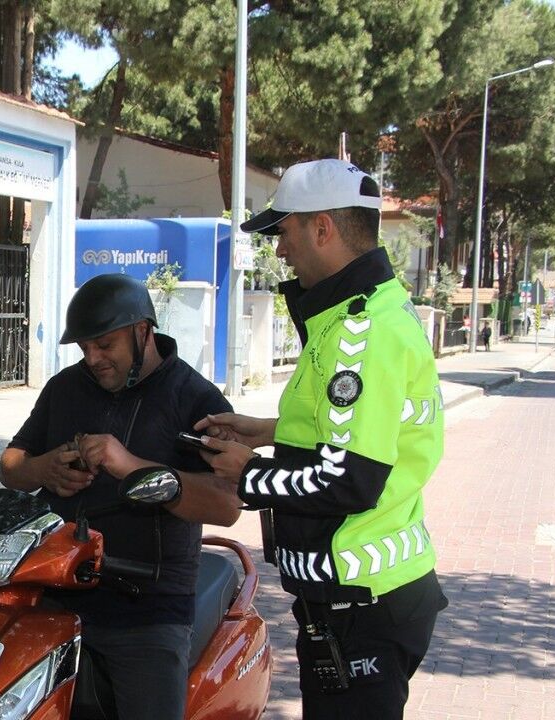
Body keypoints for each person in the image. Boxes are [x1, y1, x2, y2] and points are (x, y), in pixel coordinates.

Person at [196, 159, 447, 720]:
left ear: (323, 228)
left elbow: (350, 479)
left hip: (360, 600)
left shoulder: (361, 330)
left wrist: (247, 473)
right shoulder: (372, 309)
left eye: (284, 232)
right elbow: (358, 429)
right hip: (372, 594)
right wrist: (268, 431)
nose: (281, 250)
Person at [0, 273, 241, 720]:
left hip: (148, 609)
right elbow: (11, 466)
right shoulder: (65, 387)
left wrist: (128, 464)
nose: (93, 359)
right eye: (84, 348)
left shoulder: (194, 398)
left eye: (105, 345)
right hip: (57, 594)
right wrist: (42, 468)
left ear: (142, 331)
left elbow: (227, 506)